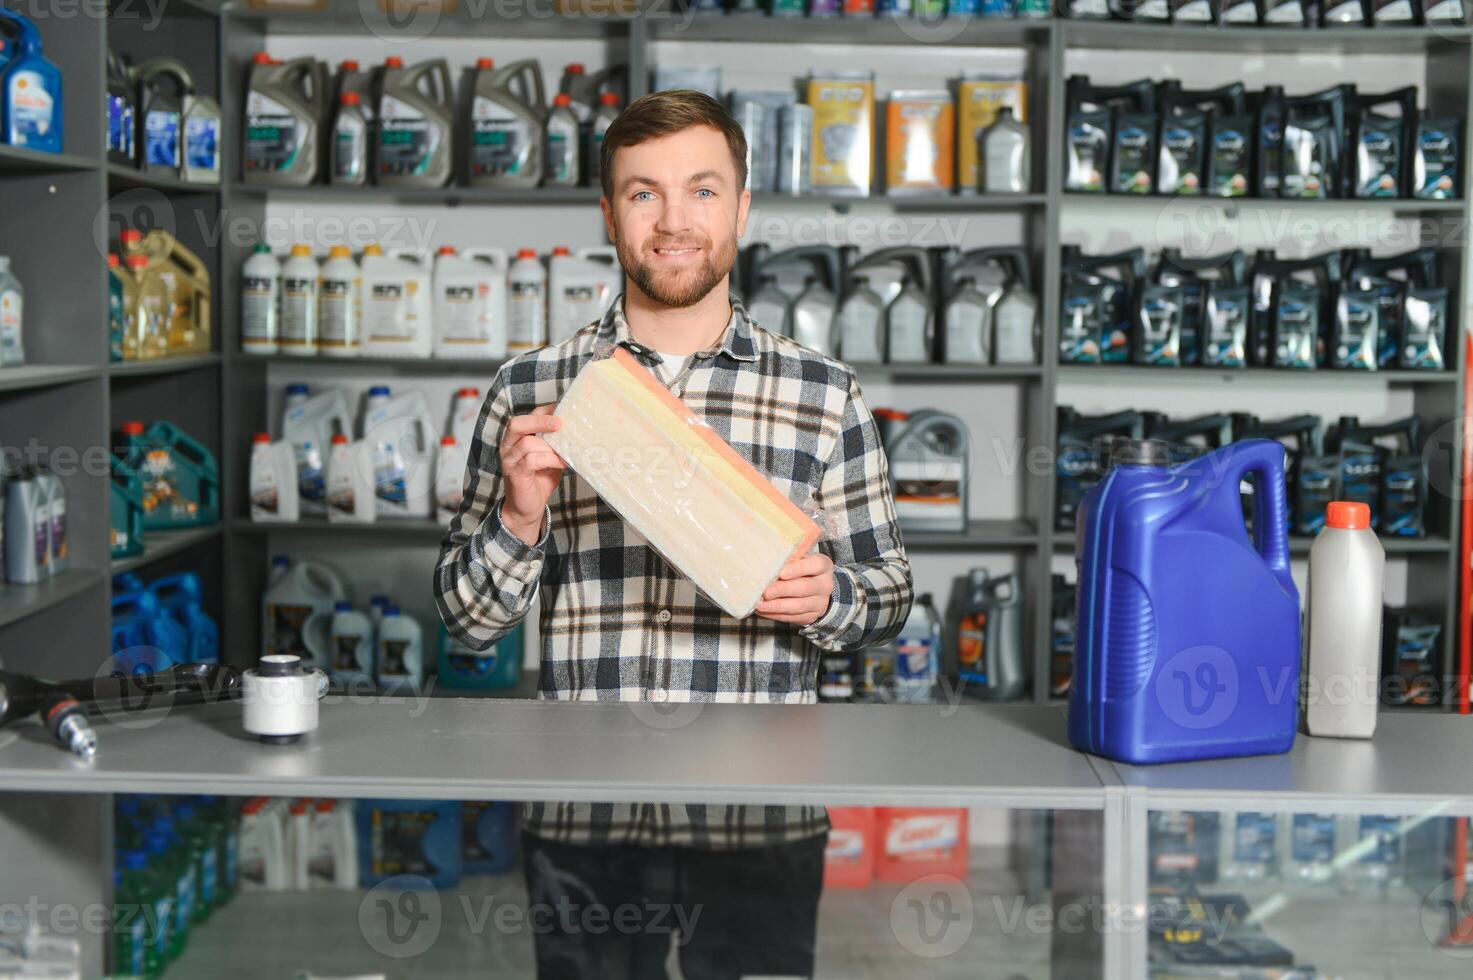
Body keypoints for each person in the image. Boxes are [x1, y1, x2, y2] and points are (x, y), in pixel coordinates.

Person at [433, 89, 913, 980]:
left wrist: (831, 597)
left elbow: (887, 592)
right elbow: (468, 625)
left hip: (759, 814)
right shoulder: (531, 389)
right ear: (609, 214)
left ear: (741, 208)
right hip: (585, 818)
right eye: (643, 192)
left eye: (701, 190)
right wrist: (518, 515)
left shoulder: (824, 394)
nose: (673, 220)